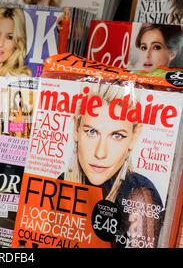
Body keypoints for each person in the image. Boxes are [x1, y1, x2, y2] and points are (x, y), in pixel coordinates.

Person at [61, 83, 164, 247]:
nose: (100, 153)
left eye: (117, 135)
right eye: (91, 132)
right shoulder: (58, 185)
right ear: (76, 128)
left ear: (133, 137)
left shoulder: (139, 195)